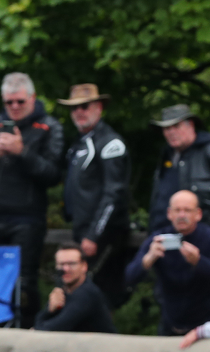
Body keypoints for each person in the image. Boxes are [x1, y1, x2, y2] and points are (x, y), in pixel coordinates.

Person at [0, 72, 64, 328]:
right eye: (9, 102)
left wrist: (23, 153)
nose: (15, 107)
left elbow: (53, 174)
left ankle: (27, 330)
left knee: (24, 282)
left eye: (20, 101)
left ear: (32, 98)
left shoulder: (48, 127)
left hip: (27, 218)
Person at [58, 83, 131, 306]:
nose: (79, 112)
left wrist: (94, 234)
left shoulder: (110, 143)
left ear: (98, 107)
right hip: (80, 230)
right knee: (77, 295)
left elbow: (114, 193)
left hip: (103, 235)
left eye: (85, 106)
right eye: (74, 108)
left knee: (100, 297)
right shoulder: (78, 143)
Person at [124, 189, 210, 336]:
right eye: (177, 210)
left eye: (187, 210)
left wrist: (198, 261)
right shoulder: (158, 238)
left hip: (206, 325)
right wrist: (148, 260)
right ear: (169, 213)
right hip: (170, 324)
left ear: (198, 214)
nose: (181, 215)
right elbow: (129, 277)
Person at [147, 103, 210, 237]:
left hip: (203, 241)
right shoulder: (165, 157)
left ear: (191, 125)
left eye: (176, 126)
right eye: (166, 128)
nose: (171, 132)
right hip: (163, 239)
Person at [35, 242, 114, 332]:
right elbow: (40, 325)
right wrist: (49, 310)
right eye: (61, 264)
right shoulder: (63, 291)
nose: (66, 269)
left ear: (84, 266)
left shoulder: (87, 293)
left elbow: (54, 327)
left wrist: (44, 318)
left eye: (71, 264)